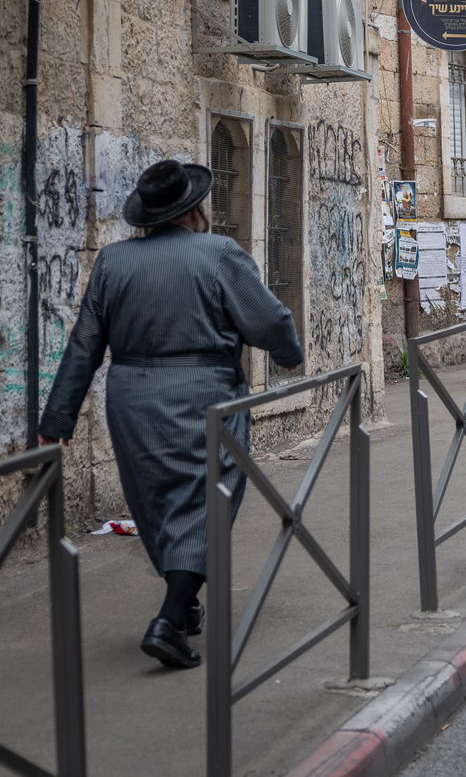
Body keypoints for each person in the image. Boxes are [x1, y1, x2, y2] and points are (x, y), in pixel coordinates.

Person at [38, 159, 303, 668]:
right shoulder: (219, 253)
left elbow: (84, 346)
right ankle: (168, 618)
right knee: (208, 501)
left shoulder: (113, 262)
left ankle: (183, 607)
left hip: (131, 399)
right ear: (195, 210)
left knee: (155, 500)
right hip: (204, 394)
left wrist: (57, 423)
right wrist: (287, 353)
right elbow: (268, 318)